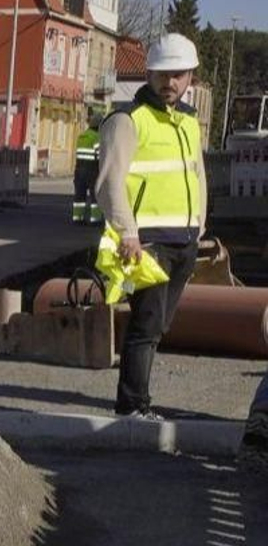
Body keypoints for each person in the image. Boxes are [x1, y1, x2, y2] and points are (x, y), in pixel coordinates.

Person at [97, 33, 208, 420]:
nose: (169, 82)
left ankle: (137, 399)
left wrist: (199, 226)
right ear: (149, 74)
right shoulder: (128, 121)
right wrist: (128, 232)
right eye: (162, 74)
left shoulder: (189, 124)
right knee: (145, 326)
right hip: (147, 243)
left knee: (159, 325)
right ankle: (132, 406)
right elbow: (110, 183)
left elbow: (197, 176)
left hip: (184, 240)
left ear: (190, 77)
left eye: (177, 75)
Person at [71, 116, 101, 225]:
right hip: (92, 170)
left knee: (79, 195)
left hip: (79, 170)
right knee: (95, 196)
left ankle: (77, 218)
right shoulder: (97, 137)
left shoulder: (81, 136)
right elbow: (99, 155)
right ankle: (95, 219)